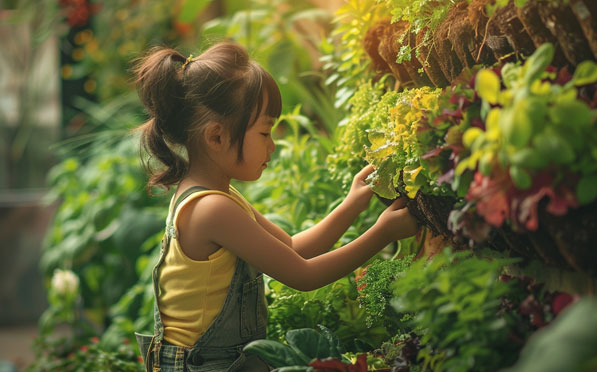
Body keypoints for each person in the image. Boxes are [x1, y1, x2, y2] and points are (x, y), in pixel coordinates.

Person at [132, 41, 418, 372]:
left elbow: (295, 248)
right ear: (216, 137)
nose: (272, 144)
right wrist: (383, 233)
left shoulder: (218, 196)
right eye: (265, 132)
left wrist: (351, 203)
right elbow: (303, 275)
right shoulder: (211, 209)